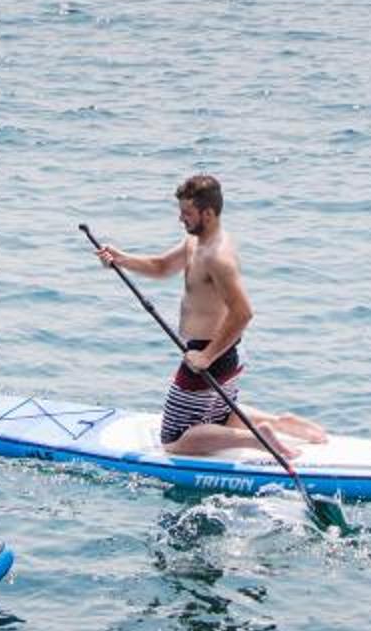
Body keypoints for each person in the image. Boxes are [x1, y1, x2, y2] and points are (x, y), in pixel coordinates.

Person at [96, 173, 328, 458]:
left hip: (211, 354)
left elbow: (243, 313)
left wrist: (206, 356)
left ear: (207, 214)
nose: (181, 218)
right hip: (221, 354)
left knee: (174, 439)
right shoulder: (195, 242)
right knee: (218, 417)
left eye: (187, 213)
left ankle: (258, 439)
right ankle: (281, 423)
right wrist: (121, 259)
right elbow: (162, 266)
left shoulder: (217, 257)